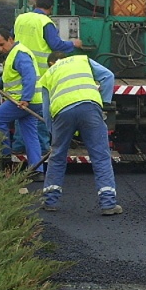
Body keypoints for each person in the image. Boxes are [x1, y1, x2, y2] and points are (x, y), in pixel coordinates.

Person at [38, 51, 120, 216]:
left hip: (62, 112)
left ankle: (50, 201)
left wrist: (53, 133)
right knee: (101, 156)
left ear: (51, 63)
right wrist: (102, 102)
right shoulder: (82, 60)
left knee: (58, 156)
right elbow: (108, 76)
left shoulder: (48, 74)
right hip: (89, 107)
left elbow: (46, 110)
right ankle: (108, 204)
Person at [11, 0, 83, 154]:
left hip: (19, 70)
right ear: (50, 8)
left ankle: (18, 146)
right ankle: (43, 148)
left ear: (36, 4)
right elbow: (55, 44)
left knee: (21, 106)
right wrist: (73, 43)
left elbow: (11, 38)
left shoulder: (21, 18)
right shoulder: (45, 22)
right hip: (40, 73)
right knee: (40, 111)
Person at [0, 28, 43, 173]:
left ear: (10, 39)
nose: (0, 49)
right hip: (32, 102)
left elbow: (29, 77)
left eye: (2, 44)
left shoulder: (20, 54)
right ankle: (37, 169)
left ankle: (5, 161)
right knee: (30, 135)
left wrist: (26, 99)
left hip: (21, 102)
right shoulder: (14, 54)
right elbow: (10, 78)